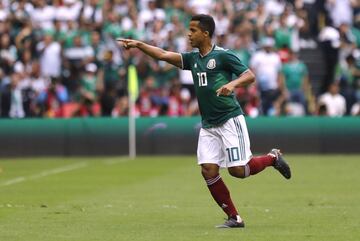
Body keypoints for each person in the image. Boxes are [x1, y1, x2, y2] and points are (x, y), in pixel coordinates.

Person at [117, 14, 291, 228]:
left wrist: (232, 85)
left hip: (229, 119)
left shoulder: (223, 56)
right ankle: (234, 218)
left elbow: (249, 76)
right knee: (208, 170)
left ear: (205, 33)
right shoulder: (193, 59)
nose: (188, 35)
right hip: (209, 125)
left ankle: (273, 158)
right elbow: (162, 54)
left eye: (193, 31)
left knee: (238, 171)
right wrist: (139, 45)